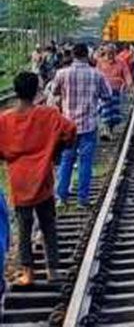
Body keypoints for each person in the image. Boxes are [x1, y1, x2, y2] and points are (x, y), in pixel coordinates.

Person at [0, 72, 76, 285]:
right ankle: (53, 270)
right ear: (36, 91)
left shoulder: (4, 120)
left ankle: (28, 273)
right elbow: (70, 131)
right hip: (43, 180)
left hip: (19, 181)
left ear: (16, 92)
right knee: (48, 225)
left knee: (24, 229)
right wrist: (56, 150)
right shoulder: (49, 115)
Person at [52, 43, 112, 207]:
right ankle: (82, 200)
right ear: (87, 55)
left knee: (66, 160)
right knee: (86, 163)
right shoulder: (96, 75)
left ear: (73, 55)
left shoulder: (62, 74)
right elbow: (108, 95)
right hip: (88, 126)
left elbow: (54, 92)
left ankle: (61, 197)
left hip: (68, 126)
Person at [96, 44, 133, 140]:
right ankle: (105, 130)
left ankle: (110, 130)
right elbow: (96, 75)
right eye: (108, 53)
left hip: (116, 91)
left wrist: (129, 85)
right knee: (105, 111)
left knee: (114, 113)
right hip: (103, 92)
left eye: (112, 53)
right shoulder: (100, 62)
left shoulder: (121, 62)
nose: (110, 55)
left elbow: (126, 73)